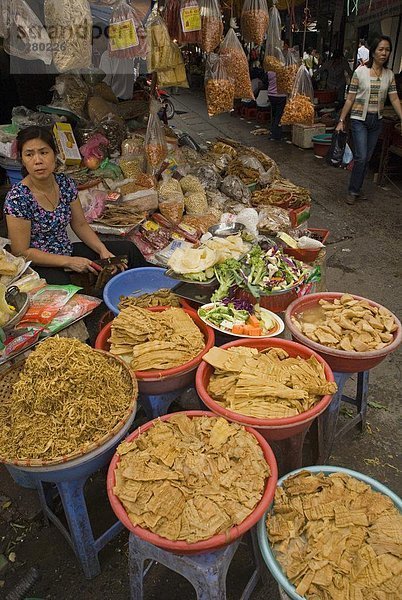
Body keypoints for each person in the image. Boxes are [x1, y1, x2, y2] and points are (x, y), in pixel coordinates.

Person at [4, 126, 147, 284]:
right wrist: (68, 261)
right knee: (70, 294)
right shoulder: (18, 198)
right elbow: (21, 252)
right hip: (39, 264)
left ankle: (153, 290)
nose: (38, 160)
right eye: (29, 154)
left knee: (129, 251)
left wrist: (102, 250)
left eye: (44, 152)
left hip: (67, 250)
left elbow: (80, 224)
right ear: (22, 160)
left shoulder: (65, 183)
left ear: (55, 155)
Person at [336, 36, 402, 205]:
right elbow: (350, 99)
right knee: (362, 156)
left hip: (376, 122)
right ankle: (352, 190)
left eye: (387, 50)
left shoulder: (389, 75)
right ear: (373, 51)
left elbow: (394, 99)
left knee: (367, 157)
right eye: (380, 49)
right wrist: (341, 120)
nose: (384, 53)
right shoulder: (360, 72)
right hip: (359, 120)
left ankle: (357, 188)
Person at [266, 70, 287, 140]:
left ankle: (272, 131)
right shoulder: (283, 72)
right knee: (279, 115)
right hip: (281, 96)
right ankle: (276, 135)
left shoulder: (269, 72)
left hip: (271, 95)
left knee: (274, 114)